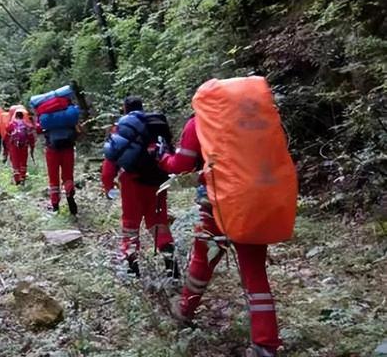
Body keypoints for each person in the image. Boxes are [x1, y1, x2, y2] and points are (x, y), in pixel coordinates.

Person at [157, 115, 281, 357]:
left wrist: (163, 157)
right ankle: (265, 343)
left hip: (217, 205)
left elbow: (182, 165)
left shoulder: (199, 121)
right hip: (256, 200)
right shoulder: (255, 117)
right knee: (255, 272)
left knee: (203, 260)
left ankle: (184, 310)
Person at [101, 96, 178, 278]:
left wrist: (108, 184)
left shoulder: (123, 128)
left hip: (132, 183)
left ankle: (132, 270)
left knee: (130, 224)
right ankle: (172, 270)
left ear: (125, 108)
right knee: (158, 222)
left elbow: (111, 159)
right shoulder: (156, 126)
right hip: (158, 182)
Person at [39, 119, 78, 215]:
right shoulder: (68, 114)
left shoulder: (47, 115)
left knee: (53, 178)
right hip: (68, 150)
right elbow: (78, 131)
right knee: (68, 176)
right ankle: (70, 197)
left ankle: (55, 206)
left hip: (52, 150)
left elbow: (38, 128)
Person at [5, 110, 35, 185]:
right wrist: (32, 147)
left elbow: (7, 135)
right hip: (24, 145)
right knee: (23, 161)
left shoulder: (11, 124)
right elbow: (31, 137)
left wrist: (7, 148)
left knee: (15, 161)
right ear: (23, 116)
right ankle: (23, 177)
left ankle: (17, 179)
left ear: (15, 116)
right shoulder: (27, 125)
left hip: (14, 145)